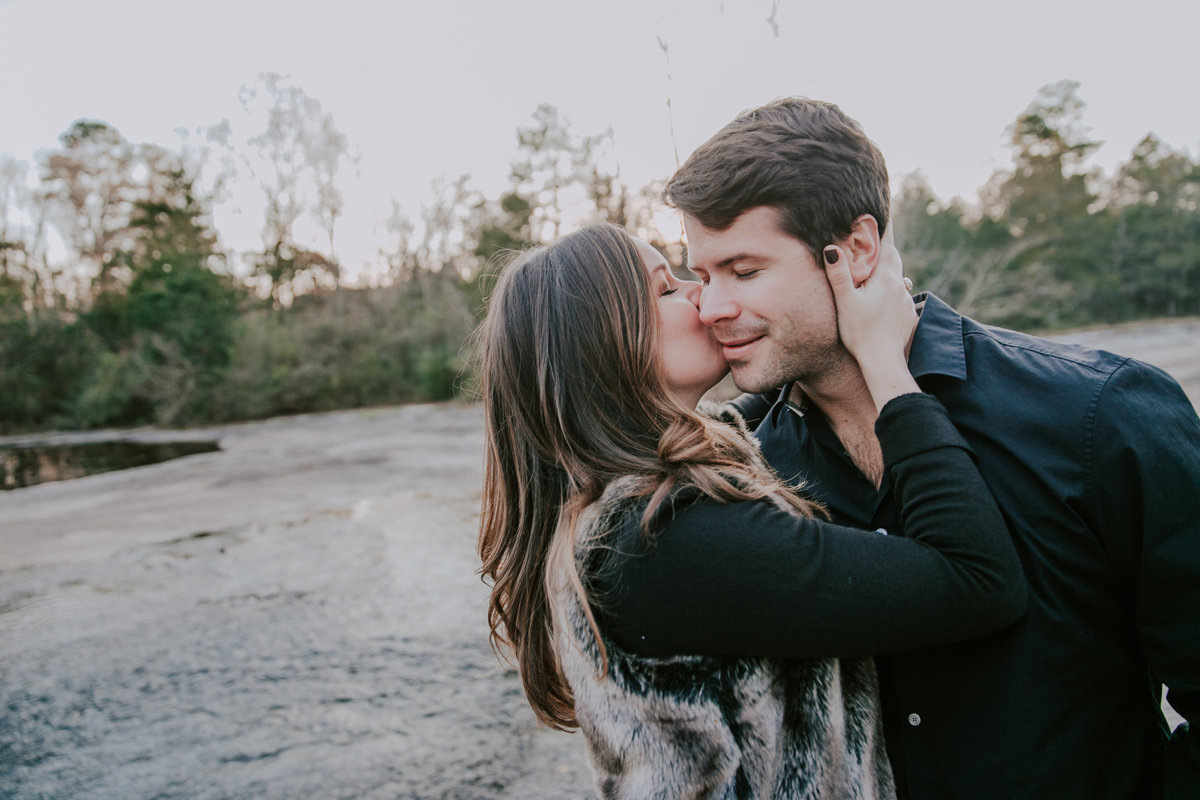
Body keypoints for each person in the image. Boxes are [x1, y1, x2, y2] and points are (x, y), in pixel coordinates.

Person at [663, 96, 1200, 800]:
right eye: (702, 276)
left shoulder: (1099, 415)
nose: (710, 307)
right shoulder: (751, 474)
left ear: (856, 251)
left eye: (743, 270)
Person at [477, 221, 1027, 798]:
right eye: (667, 290)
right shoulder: (667, 539)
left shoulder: (625, 501)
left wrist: (813, 322)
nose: (704, 299)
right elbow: (976, 579)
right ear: (603, 347)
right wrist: (885, 362)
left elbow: (761, 397)